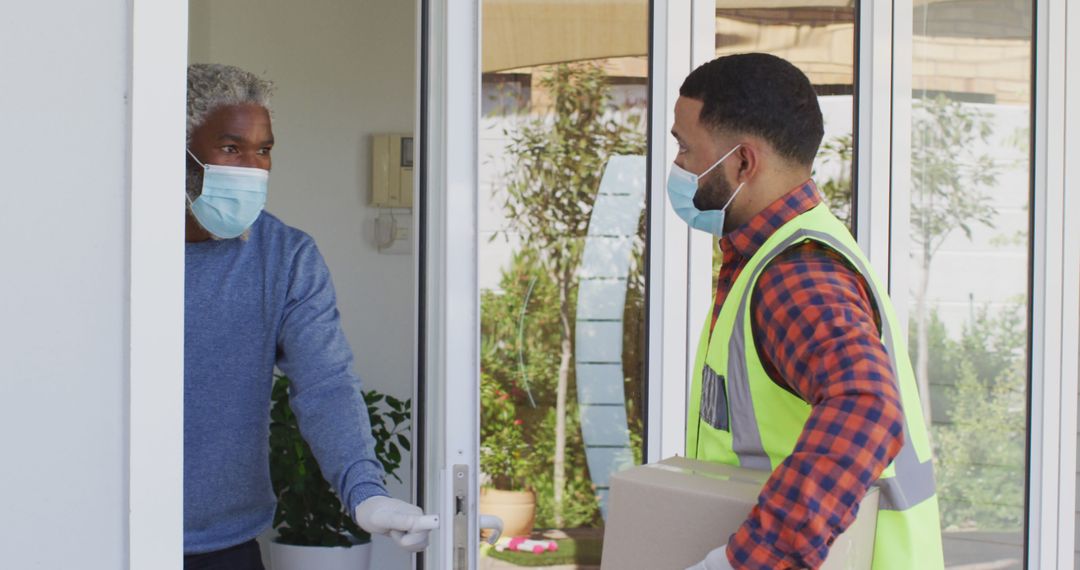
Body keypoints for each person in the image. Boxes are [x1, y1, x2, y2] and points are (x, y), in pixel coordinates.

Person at [670, 54, 944, 570]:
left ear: (743, 162)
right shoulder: (777, 253)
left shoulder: (795, 274)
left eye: (685, 147)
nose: (679, 166)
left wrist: (749, 561)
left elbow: (867, 407)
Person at [183, 63, 436, 569]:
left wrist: (366, 492)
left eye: (264, 150)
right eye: (231, 148)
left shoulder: (286, 257)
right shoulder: (114, 249)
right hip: (100, 532)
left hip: (224, 548)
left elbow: (326, 384)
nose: (251, 167)